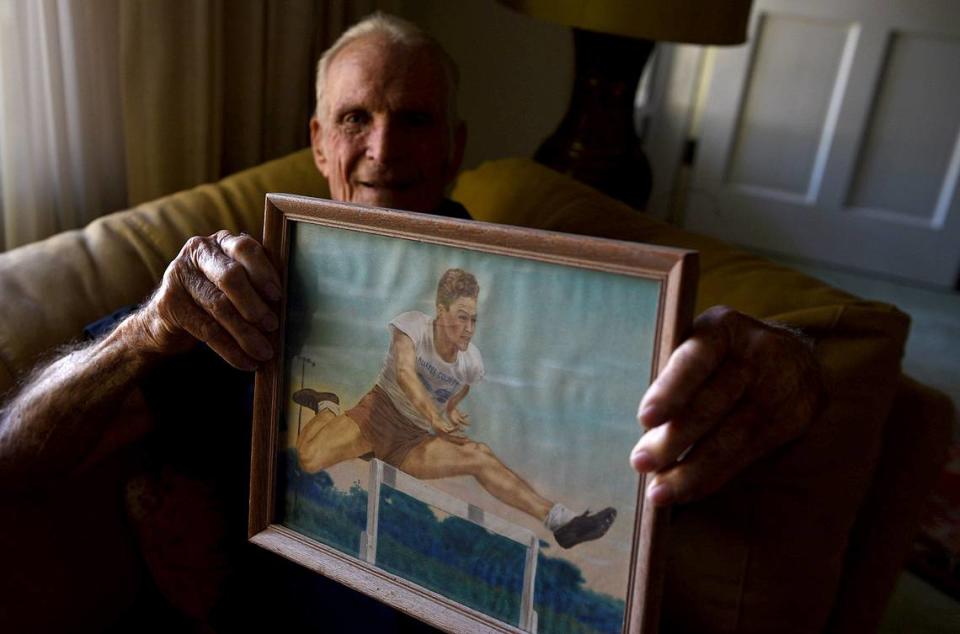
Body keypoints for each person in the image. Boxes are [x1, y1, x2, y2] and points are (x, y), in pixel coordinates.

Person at [0, 11, 825, 630]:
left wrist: (789, 360)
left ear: (455, 148)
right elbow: (15, 455)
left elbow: (651, 371)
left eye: (416, 120)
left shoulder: (530, 283)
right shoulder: (235, 288)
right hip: (351, 452)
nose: (385, 149)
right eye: (357, 118)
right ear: (319, 144)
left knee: (472, 453)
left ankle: (556, 522)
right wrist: (144, 331)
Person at [294, 267, 616, 549]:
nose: (469, 328)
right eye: (462, 317)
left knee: (479, 455)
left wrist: (448, 410)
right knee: (308, 459)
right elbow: (406, 375)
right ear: (440, 311)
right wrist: (435, 415)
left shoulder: (471, 362)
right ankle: (326, 405)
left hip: (412, 440)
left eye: (473, 319)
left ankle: (561, 522)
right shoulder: (412, 327)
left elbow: (458, 388)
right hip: (376, 416)